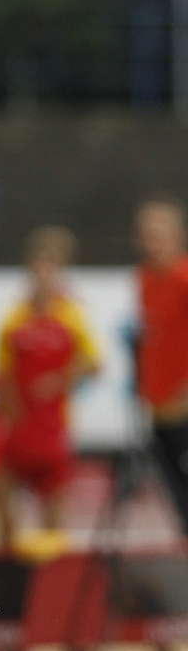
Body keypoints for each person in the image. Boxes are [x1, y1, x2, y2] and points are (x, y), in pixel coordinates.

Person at [0, 227, 100, 549]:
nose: (43, 275)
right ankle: (6, 562)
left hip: (52, 427)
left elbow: (93, 363)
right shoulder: (14, 318)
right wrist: (6, 414)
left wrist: (60, 380)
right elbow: (1, 374)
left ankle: (49, 567)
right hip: (18, 425)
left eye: (50, 268)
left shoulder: (71, 316)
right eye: (38, 267)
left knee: (52, 513)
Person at [135, 197, 188, 536]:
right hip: (158, 402)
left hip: (183, 403)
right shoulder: (144, 279)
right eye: (146, 235)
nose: (151, 243)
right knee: (173, 486)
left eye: (158, 235)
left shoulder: (184, 278)